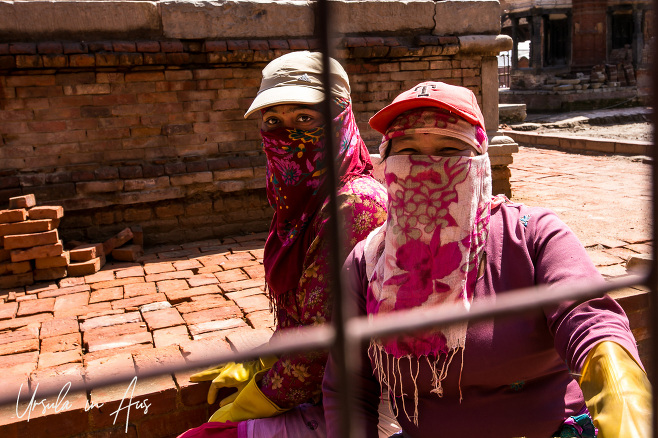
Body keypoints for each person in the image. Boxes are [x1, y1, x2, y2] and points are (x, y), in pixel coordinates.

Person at [322, 81, 652, 438]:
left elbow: (591, 322)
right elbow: (348, 389)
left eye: (450, 149)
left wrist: (624, 399)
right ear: (386, 162)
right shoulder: (369, 262)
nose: (428, 166)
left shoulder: (531, 234)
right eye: (408, 150)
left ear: (479, 161)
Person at [179, 52, 391, 437]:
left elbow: (317, 352)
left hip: (360, 401)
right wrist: (261, 361)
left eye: (305, 119)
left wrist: (247, 403)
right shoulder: (305, 199)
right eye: (273, 120)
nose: (286, 133)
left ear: (339, 121)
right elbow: (304, 319)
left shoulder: (354, 204)